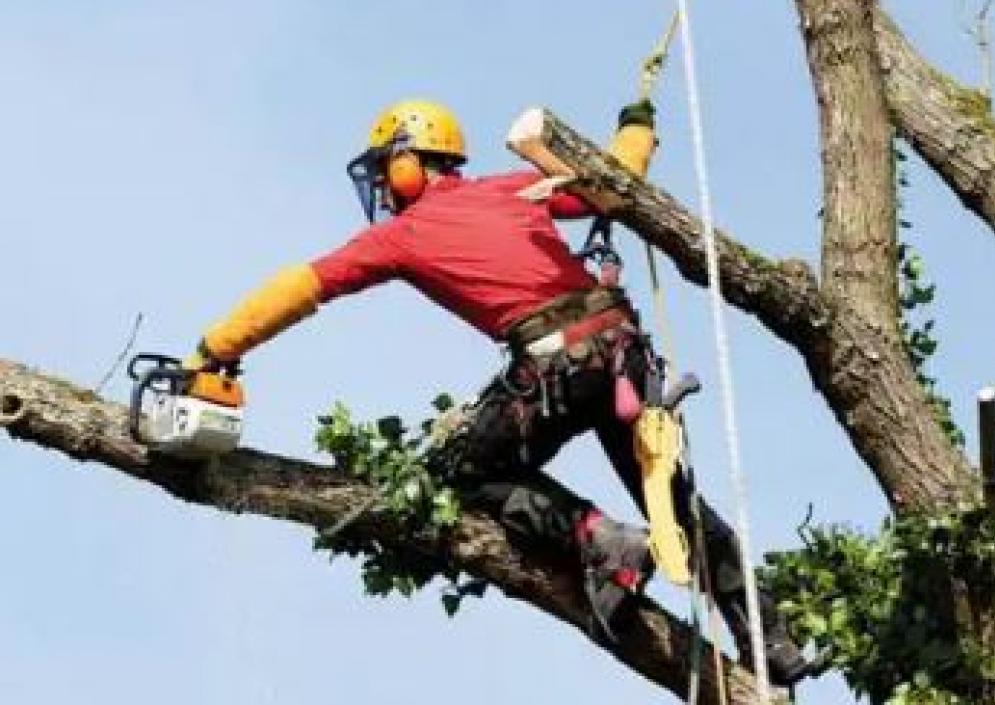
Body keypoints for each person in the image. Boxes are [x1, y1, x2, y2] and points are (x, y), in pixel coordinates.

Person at [186, 99, 811, 685]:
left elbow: (303, 286)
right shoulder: (513, 188)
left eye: (386, 169)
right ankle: (771, 637)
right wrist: (638, 125)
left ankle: (598, 538)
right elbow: (616, 180)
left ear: (410, 161)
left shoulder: (403, 234)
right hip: (621, 352)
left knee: (466, 469)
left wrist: (217, 348)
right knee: (672, 503)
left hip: (557, 362)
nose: (381, 187)